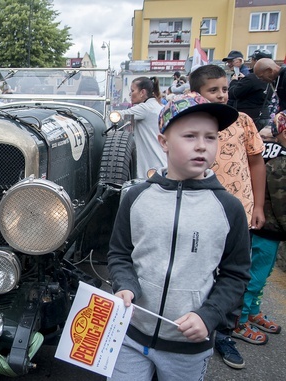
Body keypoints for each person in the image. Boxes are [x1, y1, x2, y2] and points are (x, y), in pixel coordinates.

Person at [107, 93, 250, 381]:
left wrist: (208, 316)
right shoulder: (136, 197)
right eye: (189, 136)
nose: (201, 146)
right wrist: (125, 285)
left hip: (188, 348)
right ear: (163, 143)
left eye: (210, 137)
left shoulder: (229, 208)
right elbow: (119, 254)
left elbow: (235, 275)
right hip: (130, 336)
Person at [190, 64, 266, 369]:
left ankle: (224, 332)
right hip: (201, 214)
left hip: (240, 213)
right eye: (213, 90)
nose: (221, 95)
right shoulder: (191, 123)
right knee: (201, 270)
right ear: (197, 94)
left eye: (224, 89)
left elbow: (256, 163)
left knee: (233, 273)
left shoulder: (243, 122)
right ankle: (198, 323)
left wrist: (258, 206)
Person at [237, 111, 286, 348]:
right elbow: (280, 202)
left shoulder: (270, 153)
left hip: (268, 228)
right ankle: (240, 320)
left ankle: (253, 311)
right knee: (255, 276)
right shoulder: (280, 161)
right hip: (268, 229)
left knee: (261, 275)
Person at [117, 76, 166, 178]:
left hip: (151, 164)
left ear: (142, 92)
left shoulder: (145, 108)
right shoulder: (159, 106)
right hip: (162, 160)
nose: (130, 94)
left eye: (132, 90)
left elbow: (120, 115)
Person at [228, 50, 274, 129]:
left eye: (252, 59)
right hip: (264, 115)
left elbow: (233, 94)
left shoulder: (253, 77)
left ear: (256, 61)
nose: (251, 62)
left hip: (251, 117)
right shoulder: (272, 76)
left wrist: (234, 81)